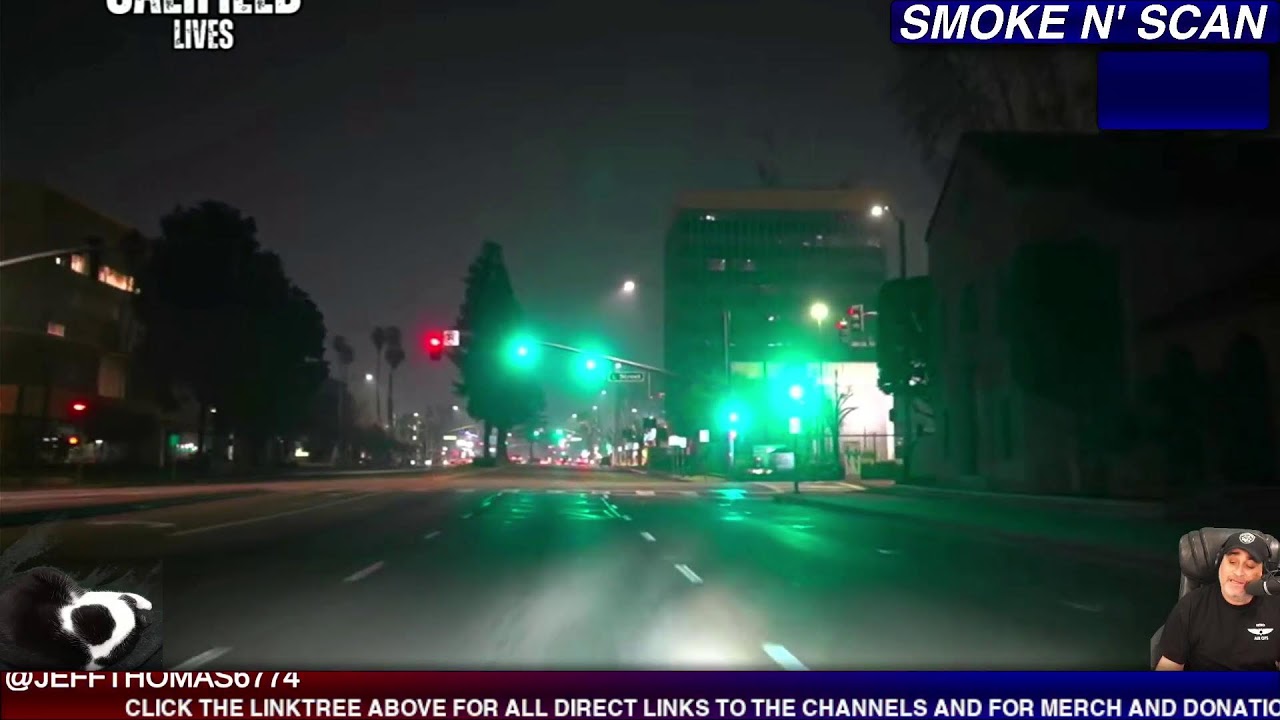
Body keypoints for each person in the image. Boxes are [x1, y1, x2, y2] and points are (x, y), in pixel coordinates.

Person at [1156, 531, 1278, 670]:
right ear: (1219, 564)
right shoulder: (1190, 607)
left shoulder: (1276, 607)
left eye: (1249, 566)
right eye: (1232, 562)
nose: (1239, 572)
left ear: (1264, 573)